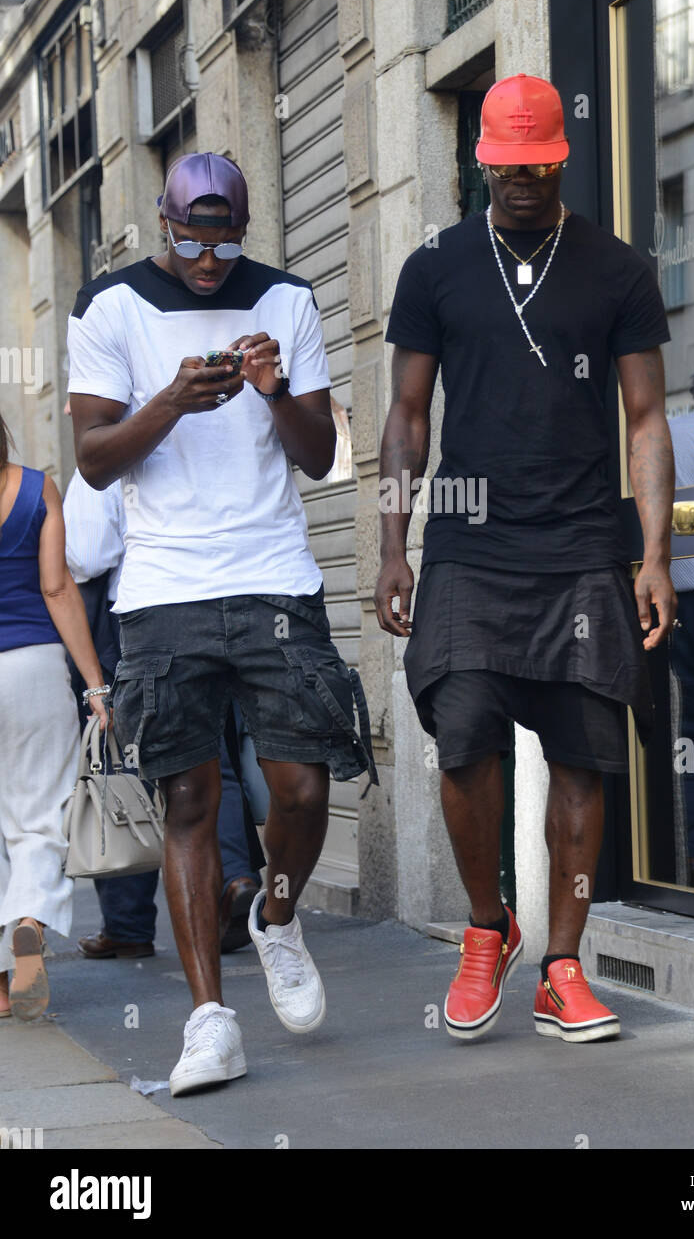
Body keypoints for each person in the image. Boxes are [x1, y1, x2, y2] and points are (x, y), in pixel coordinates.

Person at [375, 73, 676, 1044]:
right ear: (481, 162)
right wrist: (392, 542)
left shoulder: (618, 270)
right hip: (467, 545)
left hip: (584, 544)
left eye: (534, 165)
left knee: (581, 751)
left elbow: (645, 418)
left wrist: (654, 553)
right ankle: (485, 924)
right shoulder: (435, 269)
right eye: (503, 166)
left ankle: (560, 966)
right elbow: (406, 417)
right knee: (461, 735)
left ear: (559, 157)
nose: (519, 181)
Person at [67, 151, 376, 1095]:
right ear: (163, 223)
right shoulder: (109, 307)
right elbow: (92, 461)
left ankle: (277, 919)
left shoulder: (285, 298)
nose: (210, 259)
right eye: (193, 240)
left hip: (275, 578)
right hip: (160, 591)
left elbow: (322, 455)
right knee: (190, 804)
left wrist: (276, 390)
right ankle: (209, 1022)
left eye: (227, 239)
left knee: (305, 786)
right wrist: (170, 401)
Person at [61, 448, 264, 958]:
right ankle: (234, 881)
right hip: (222, 608)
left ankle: (128, 927)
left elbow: (86, 553)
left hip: (138, 618)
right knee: (212, 757)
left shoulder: (107, 454)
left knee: (122, 765)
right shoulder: (206, 442)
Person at [0, 412, 108, 1021]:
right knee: (40, 812)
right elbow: (57, 587)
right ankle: (32, 921)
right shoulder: (38, 486)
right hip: (35, 668)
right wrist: (95, 684)